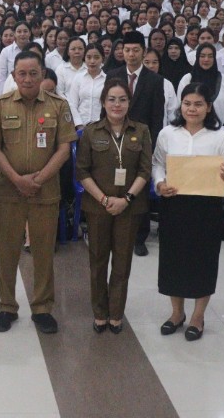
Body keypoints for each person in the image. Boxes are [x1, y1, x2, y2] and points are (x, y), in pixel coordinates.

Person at [0, 50, 77, 334]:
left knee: (43, 251)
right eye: (21, 73)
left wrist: (39, 178)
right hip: (8, 192)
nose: (27, 78)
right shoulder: (0, 106)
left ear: (42, 75)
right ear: (13, 76)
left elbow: (64, 148)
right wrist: (16, 179)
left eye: (33, 73)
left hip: (45, 191)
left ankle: (42, 307)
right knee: (7, 250)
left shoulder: (58, 106)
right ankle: (7, 306)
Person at [152, 82, 224, 341]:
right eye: (187, 103)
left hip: (207, 207)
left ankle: (197, 316)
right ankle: (176, 313)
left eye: (198, 104)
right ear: (181, 106)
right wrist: (159, 183)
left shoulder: (220, 137)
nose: (192, 109)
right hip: (175, 203)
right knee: (173, 259)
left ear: (209, 107)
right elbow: (157, 164)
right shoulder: (168, 133)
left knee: (203, 260)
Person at [75, 78, 152, 334]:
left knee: (122, 263)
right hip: (98, 207)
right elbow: (82, 171)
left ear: (129, 102)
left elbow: (145, 170)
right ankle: (99, 312)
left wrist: (126, 199)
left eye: (122, 99)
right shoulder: (91, 131)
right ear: (103, 102)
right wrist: (105, 199)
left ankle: (116, 312)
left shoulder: (140, 131)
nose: (117, 104)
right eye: (111, 99)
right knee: (97, 261)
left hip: (129, 207)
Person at [105, 31, 166, 257]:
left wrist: (151, 146)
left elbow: (156, 117)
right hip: (115, 137)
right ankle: (114, 232)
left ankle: (139, 237)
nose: (131, 55)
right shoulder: (113, 75)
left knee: (138, 191)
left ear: (144, 51)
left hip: (141, 142)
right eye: (127, 50)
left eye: (136, 50)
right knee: (115, 184)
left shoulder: (155, 80)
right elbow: (107, 107)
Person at [177, 43, 224, 127]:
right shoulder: (187, 79)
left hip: (218, 130)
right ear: (197, 57)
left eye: (210, 56)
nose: (206, 59)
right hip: (192, 129)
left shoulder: (223, 79)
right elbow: (180, 106)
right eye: (202, 56)